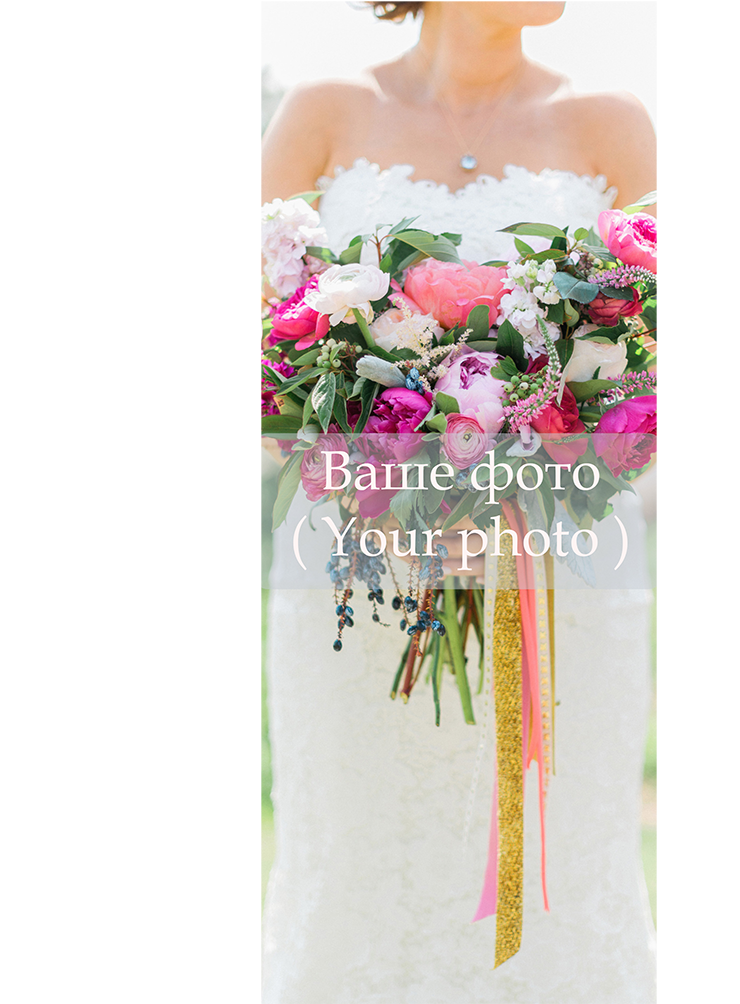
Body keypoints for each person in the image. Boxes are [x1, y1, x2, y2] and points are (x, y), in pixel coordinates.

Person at [260, 3, 657, 1001]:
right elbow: (257, 366)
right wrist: (382, 473)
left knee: (562, 849)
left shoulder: (613, 126)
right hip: (358, 575)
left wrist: (537, 461)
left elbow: (658, 365)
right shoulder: (321, 114)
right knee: (362, 846)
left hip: (560, 576)